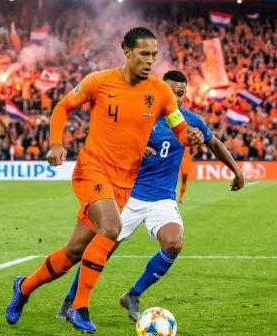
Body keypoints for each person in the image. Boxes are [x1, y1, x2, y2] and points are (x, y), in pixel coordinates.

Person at [5, 27, 205, 333]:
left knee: (73, 252)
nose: (151, 60)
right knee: (111, 228)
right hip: (93, 168)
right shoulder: (99, 81)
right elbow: (63, 106)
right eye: (144, 54)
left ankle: (24, 287)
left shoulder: (161, 92)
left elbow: (178, 128)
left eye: (154, 54)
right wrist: (55, 142)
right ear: (127, 52)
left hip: (124, 181)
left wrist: (188, 135)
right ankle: (79, 307)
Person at [57, 70, 245, 322]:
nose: (176, 98)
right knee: (102, 251)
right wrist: (135, 147)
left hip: (162, 198)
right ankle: (71, 300)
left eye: (180, 93)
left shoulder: (190, 122)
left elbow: (214, 144)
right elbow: (114, 140)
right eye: (171, 92)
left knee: (174, 243)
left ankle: (132, 295)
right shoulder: (141, 117)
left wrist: (236, 170)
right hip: (128, 194)